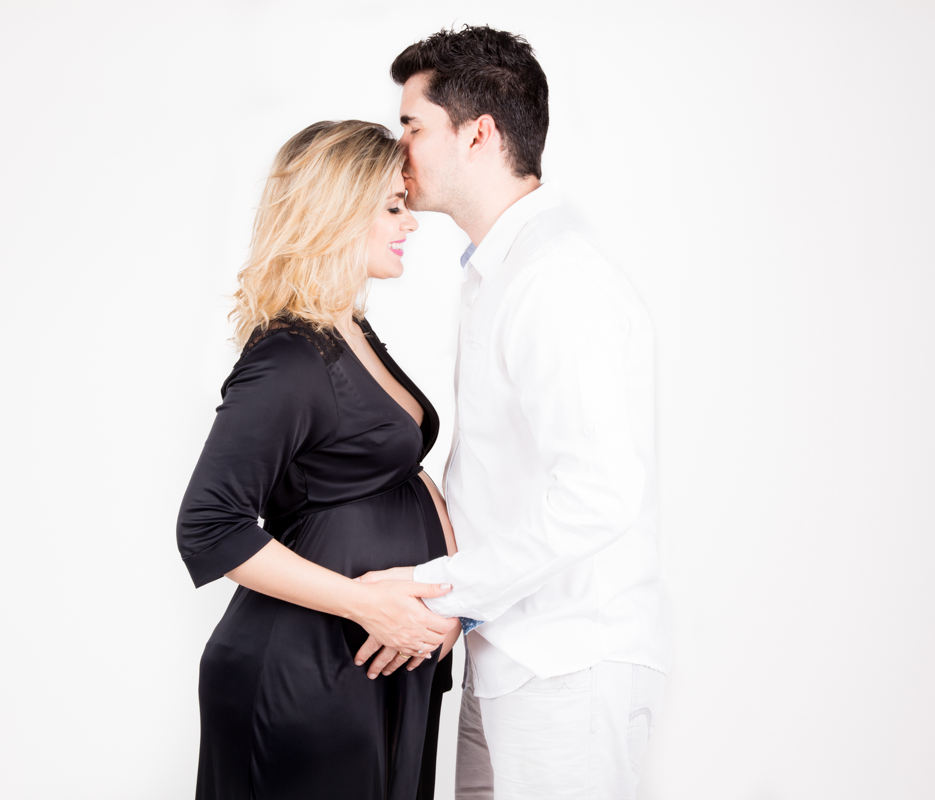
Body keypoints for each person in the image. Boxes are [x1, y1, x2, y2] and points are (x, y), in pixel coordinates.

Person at [352, 26, 674, 799]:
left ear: (479, 134)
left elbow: (598, 492)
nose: (398, 149)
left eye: (412, 126)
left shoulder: (555, 279)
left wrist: (444, 591)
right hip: (509, 653)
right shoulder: (503, 271)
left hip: (566, 664)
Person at [176, 120, 461, 800]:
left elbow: (400, 467)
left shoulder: (349, 326)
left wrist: (452, 591)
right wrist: (368, 605)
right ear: (338, 212)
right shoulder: (288, 357)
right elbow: (209, 526)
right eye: (393, 207)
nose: (410, 222)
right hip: (307, 671)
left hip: (372, 661)